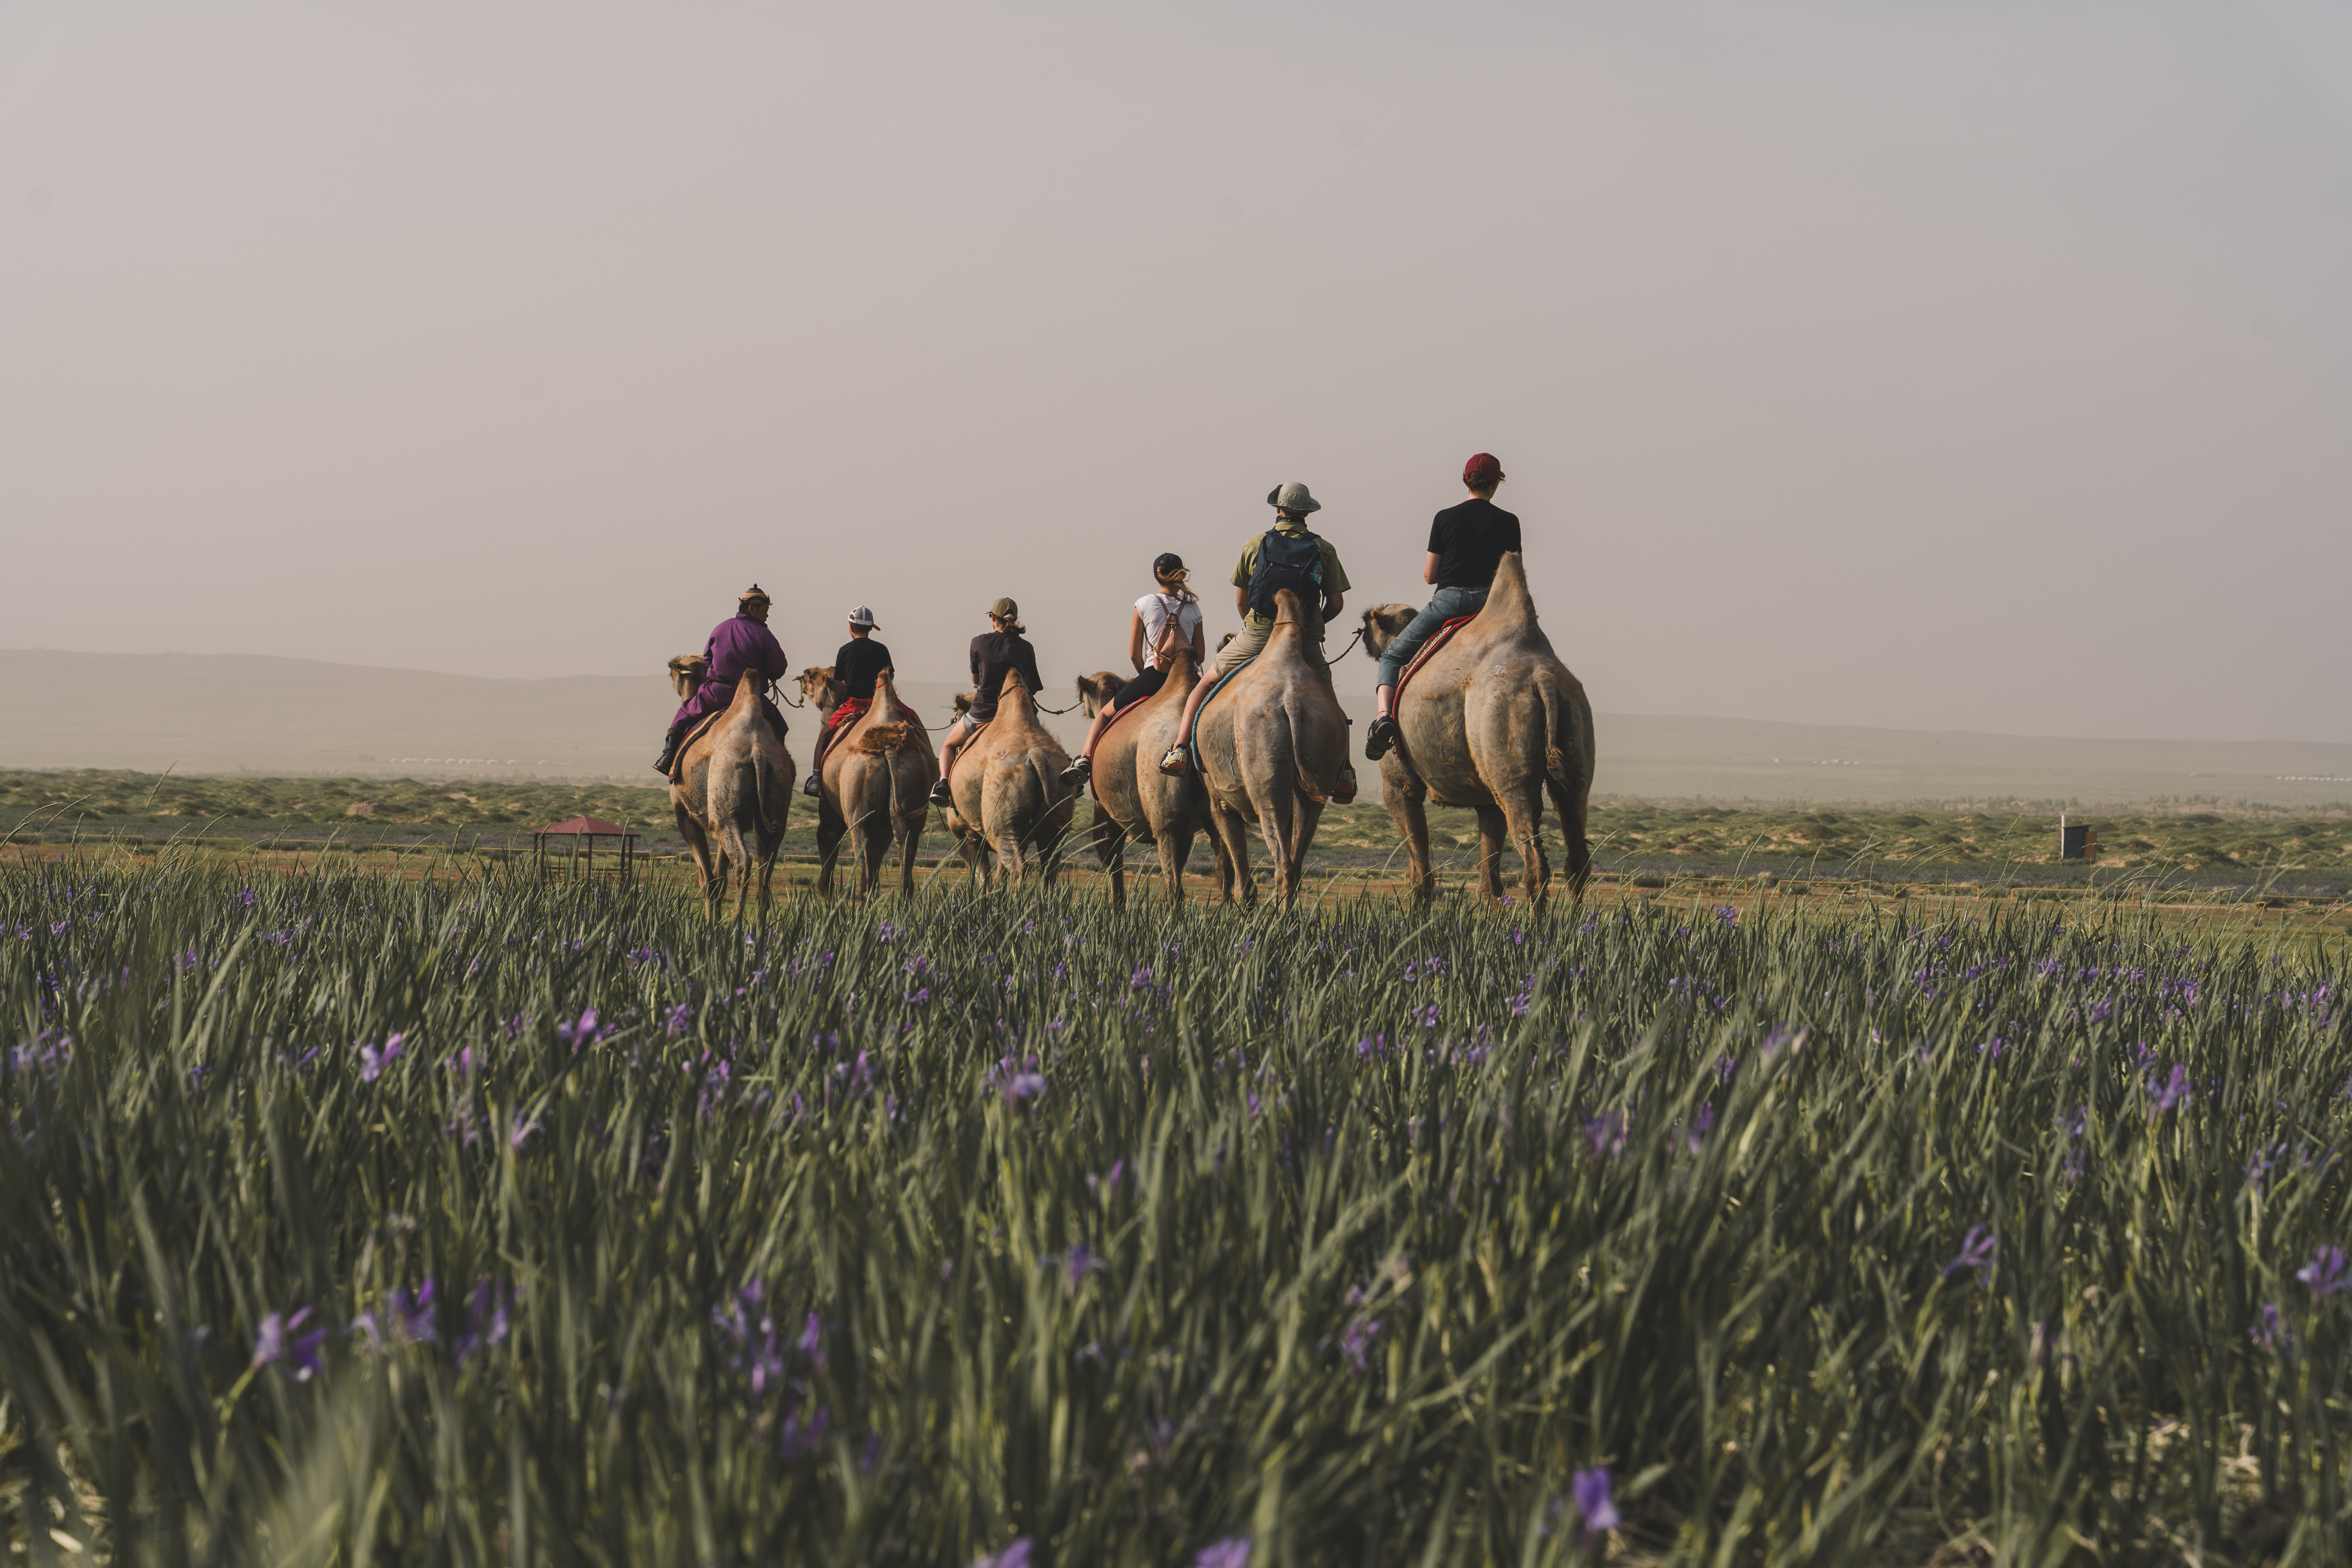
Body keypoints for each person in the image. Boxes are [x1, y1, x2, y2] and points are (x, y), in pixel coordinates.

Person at [1158, 484, 1354, 797]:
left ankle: (1179, 749)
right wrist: (1307, 628)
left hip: (1259, 632)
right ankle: (1345, 771)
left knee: (1204, 685)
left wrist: (1260, 628)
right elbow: (1336, 605)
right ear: (1306, 514)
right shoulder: (1324, 549)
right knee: (1331, 700)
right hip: (1303, 639)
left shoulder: (1256, 544)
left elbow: (1242, 601)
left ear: (1278, 510)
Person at [1364, 453, 1521, 761]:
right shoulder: (1510, 521)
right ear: (1496, 485)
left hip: (1451, 602)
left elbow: (1430, 576)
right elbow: (1514, 578)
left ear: (1466, 480)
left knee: (1393, 656)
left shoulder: (1444, 517)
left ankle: (1384, 719)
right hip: (1492, 606)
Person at [1060, 554, 1205, 786]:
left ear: (1156, 575)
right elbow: (1201, 655)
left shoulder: (1144, 603)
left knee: (1105, 714)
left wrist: (1146, 676)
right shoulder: (1193, 609)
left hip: (1154, 677)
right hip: (1188, 679)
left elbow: (1134, 654)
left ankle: (1084, 760)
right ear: (1182, 575)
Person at [653, 585, 790, 776]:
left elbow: (708, 660)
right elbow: (779, 669)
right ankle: (777, 773)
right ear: (753, 608)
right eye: (765, 611)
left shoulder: (721, 628)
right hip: (749, 698)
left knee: (683, 715)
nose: (767, 616)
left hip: (715, 695)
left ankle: (667, 759)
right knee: (780, 726)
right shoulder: (764, 635)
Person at [929, 597, 1045, 806]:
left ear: (993, 618)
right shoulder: (1027, 648)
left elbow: (975, 680)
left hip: (983, 713)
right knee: (1047, 746)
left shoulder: (979, 642)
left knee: (948, 745)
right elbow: (1034, 687)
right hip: (1020, 718)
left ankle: (944, 784)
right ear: (1014, 619)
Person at [802, 606, 898, 796]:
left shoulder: (844, 651)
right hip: (879, 704)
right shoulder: (882, 649)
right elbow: (890, 677)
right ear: (871, 628)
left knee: (824, 736)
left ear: (851, 628)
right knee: (913, 721)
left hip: (853, 705)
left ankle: (815, 780)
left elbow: (844, 681)